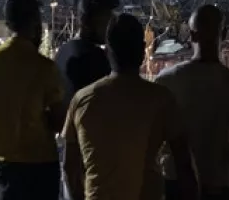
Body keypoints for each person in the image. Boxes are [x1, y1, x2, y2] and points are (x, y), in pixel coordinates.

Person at [62, 13, 199, 200]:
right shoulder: (161, 99)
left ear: (107, 51)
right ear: (143, 50)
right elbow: (183, 164)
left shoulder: (82, 100)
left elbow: (70, 167)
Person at [156, 5, 229, 200]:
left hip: (176, 183)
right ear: (225, 34)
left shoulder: (167, 80)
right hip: (221, 183)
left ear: (192, 35)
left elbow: (154, 138)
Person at [0, 0, 64, 200]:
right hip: (39, 167)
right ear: (36, 24)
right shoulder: (44, 67)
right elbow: (59, 121)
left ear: (8, 23)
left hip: (3, 163)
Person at [55, 0, 120, 112]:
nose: (109, 28)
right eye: (105, 22)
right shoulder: (95, 58)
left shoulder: (62, 52)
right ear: (86, 22)